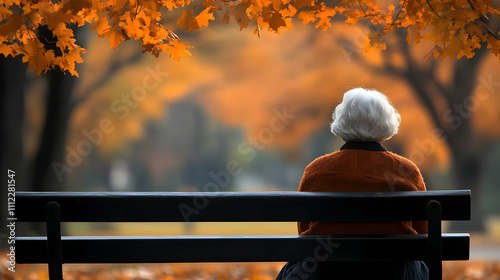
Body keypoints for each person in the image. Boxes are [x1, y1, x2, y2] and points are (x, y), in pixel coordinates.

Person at [276, 88, 429, 280]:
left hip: (326, 271)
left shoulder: (316, 171)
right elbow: (424, 236)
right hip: (394, 272)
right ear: (385, 124)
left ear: (342, 122)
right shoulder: (407, 171)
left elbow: (304, 230)